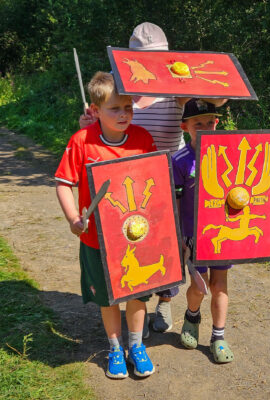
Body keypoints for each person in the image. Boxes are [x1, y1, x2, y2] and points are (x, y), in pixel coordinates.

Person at [79, 22, 227, 336]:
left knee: (166, 246)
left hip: (168, 179)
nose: (150, 65)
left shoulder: (175, 93)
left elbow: (217, 101)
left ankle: (164, 301)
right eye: (143, 59)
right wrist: (87, 123)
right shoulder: (120, 93)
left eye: (156, 58)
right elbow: (102, 125)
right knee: (134, 245)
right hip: (129, 183)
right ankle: (139, 311)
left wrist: (194, 83)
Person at [56, 71, 156, 379]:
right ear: (95, 111)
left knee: (138, 292)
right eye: (115, 108)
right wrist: (74, 218)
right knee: (108, 296)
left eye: (128, 106)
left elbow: (154, 183)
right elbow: (63, 183)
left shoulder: (142, 139)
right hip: (97, 239)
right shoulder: (82, 141)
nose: (124, 113)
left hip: (136, 237)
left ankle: (136, 346)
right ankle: (115, 347)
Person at [172, 99, 234, 363]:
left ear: (217, 123)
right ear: (185, 126)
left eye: (210, 121)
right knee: (199, 287)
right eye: (199, 123)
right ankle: (192, 315)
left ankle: (218, 337)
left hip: (220, 232)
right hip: (192, 235)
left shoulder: (228, 157)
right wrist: (178, 240)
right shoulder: (179, 161)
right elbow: (175, 203)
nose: (206, 127)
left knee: (219, 285)